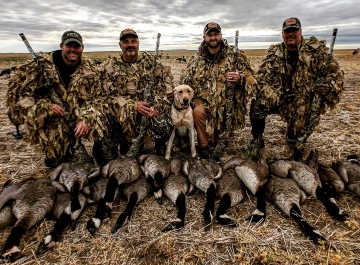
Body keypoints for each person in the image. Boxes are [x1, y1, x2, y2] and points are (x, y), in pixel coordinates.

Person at [249, 17, 344, 161]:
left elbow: (336, 77)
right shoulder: (275, 53)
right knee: (258, 102)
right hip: (280, 97)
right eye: (287, 31)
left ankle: (296, 143)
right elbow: (263, 80)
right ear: (282, 34)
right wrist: (277, 94)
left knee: (296, 134)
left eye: (294, 30)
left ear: (301, 32)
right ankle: (257, 140)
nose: (291, 34)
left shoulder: (316, 52)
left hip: (303, 102)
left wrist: (328, 87)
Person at [6, 30, 105, 167]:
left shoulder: (89, 68)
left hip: (78, 119)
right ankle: (60, 150)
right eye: (69, 46)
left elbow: (99, 97)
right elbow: (17, 97)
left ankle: (101, 153)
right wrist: (45, 107)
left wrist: (87, 118)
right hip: (54, 125)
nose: (73, 50)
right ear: (61, 46)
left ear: (82, 48)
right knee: (55, 164)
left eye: (76, 46)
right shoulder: (39, 66)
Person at [93, 28, 174, 165]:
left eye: (133, 41)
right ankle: (111, 146)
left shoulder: (152, 63)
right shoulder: (108, 67)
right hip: (120, 118)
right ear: (120, 45)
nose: (130, 44)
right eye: (126, 42)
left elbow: (167, 90)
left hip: (144, 117)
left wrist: (156, 106)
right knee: (105, 159)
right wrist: (131, 105)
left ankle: (159, 146)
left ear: (138, 43)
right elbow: (99, 96)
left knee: (165, 122)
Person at [180, 22, 257, 158]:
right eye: (210, 35)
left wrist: (240, 79)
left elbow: (252, 81)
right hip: (203, 104)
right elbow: (185, 84)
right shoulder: (196, 60)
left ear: (221, 36)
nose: (213, 37)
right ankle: (203, 146)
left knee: (218, 143)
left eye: (216, 34)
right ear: (204, 37)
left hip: (223, 106)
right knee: (197, 111)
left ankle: (219, 137)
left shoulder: (235, 56)